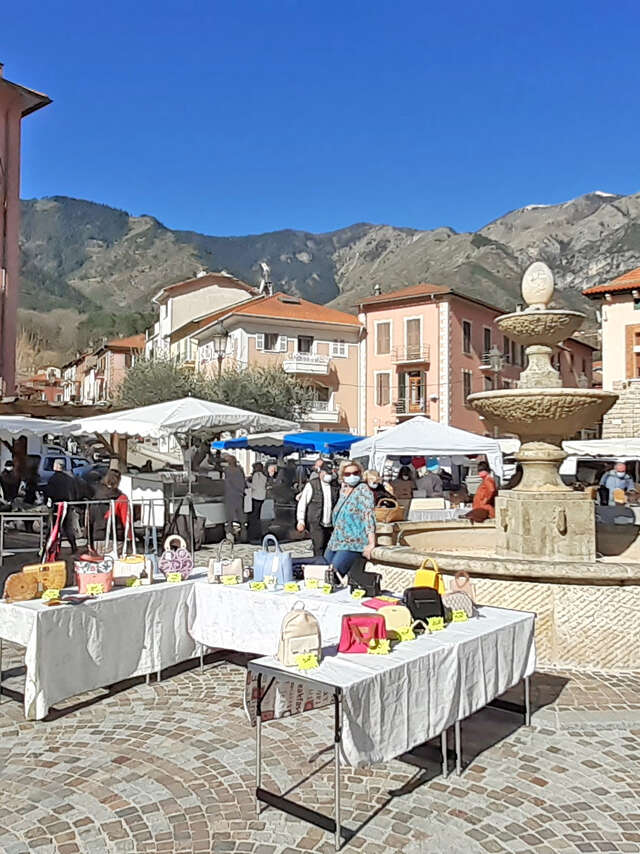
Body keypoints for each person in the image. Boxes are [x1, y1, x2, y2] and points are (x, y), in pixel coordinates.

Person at [324, 460, 375, 574]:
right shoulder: (343, 491)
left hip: (353, 542)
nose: (352, 476)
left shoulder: (363, 490)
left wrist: (371, 543)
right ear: (342, 476)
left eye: (355, 473)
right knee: (322, 572)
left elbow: (368, 515)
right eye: (347, 474)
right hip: (335, 541)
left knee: (334, 574)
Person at [297, 460, 339, 554]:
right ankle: (318, 566)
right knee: (318, 547)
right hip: (316, 522)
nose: (328, 475)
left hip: (331, 524)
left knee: (329, 548)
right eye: (326, 472)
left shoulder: (335, 486)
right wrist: (301, 520)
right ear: (321, 472)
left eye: (330, 473)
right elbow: (302, 503)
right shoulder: (312, 485)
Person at [45, 459, 79, 553]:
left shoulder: (53, 478)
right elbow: (75, 492)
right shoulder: (69, 479)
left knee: (53, 526)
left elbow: (49, 492)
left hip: (57, 505)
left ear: (56, 466)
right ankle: (73, 546)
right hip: (68, 505)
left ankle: (47, 546)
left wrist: (47, 501)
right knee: (68, 527)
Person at [90, 469, 126, 552]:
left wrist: (90, 541)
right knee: (115, 563)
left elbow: (90, 520)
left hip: (98, 536)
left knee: (102, 563)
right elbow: (125, 519)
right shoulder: (121, 498)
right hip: (116, 536)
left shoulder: (95, 497)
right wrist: (130, 536)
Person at [224, 456, 246, 532]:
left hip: (230, 495)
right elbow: (244, 482)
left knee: (230, 518)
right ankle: (244, 535)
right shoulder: (240, 470)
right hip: (239, 495)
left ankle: (230, 536)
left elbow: (226, 483)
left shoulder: (227, 470)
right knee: (241, 516)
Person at [248, 462, 267, 541]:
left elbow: (254, 486)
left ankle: (253, 534)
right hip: (262, 497)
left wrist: (247, 483)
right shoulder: (264, 476)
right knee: (257, 517)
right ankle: (258, 533)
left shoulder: (256, 475)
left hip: (255, 497)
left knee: (253, 517)